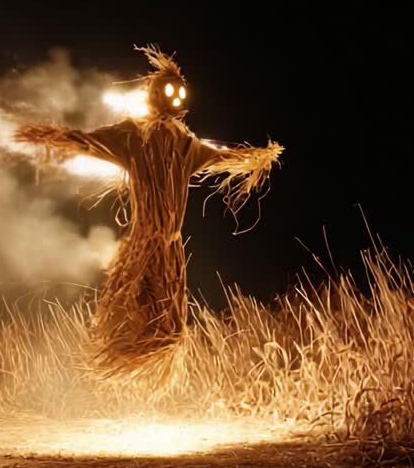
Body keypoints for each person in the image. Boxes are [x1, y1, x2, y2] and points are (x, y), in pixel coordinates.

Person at [14, 45, 283, 377]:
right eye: (166, 91)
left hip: (169, 246)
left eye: (178, 92)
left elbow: (220, 156)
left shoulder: (186, 144)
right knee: (132, 299)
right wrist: (52, 136)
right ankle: (122, 348)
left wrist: (258, 157)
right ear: (153, 94)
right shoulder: (132, 135)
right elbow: (89, 140)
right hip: (145, 241)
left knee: (167, 317)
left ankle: (145, 351)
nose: (173, 98)